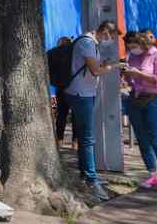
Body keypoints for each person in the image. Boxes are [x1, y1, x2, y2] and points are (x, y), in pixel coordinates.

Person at [66, 21, 120, 200]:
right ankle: (92, 180)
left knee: (83, 137)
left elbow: (92, 67)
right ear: (104, 31)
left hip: (83, 92)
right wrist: (113, 67)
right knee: (88, 138)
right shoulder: (88, 43)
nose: (110, 40)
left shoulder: (91, 43)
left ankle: (84, 175)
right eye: (110, 36)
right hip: (81, 94)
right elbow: (95, 71)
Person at [121, 31, 157, 195]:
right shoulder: (132, 56)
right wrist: (126, 75)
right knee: (143, 140)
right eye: (129, 46)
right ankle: (153, 175)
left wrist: (137, 73)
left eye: (135, 45)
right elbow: (132, 81)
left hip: (154, 100)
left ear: (143, 44)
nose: (132, 49)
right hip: (135, 100)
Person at [47, 36, 77, 145]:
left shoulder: (51, 53)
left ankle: (59, 140)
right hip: (74, 86)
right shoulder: (73, 53)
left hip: (60, 87)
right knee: (75, 115)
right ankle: (75, 141)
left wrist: (54, 81)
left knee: (61, 114)